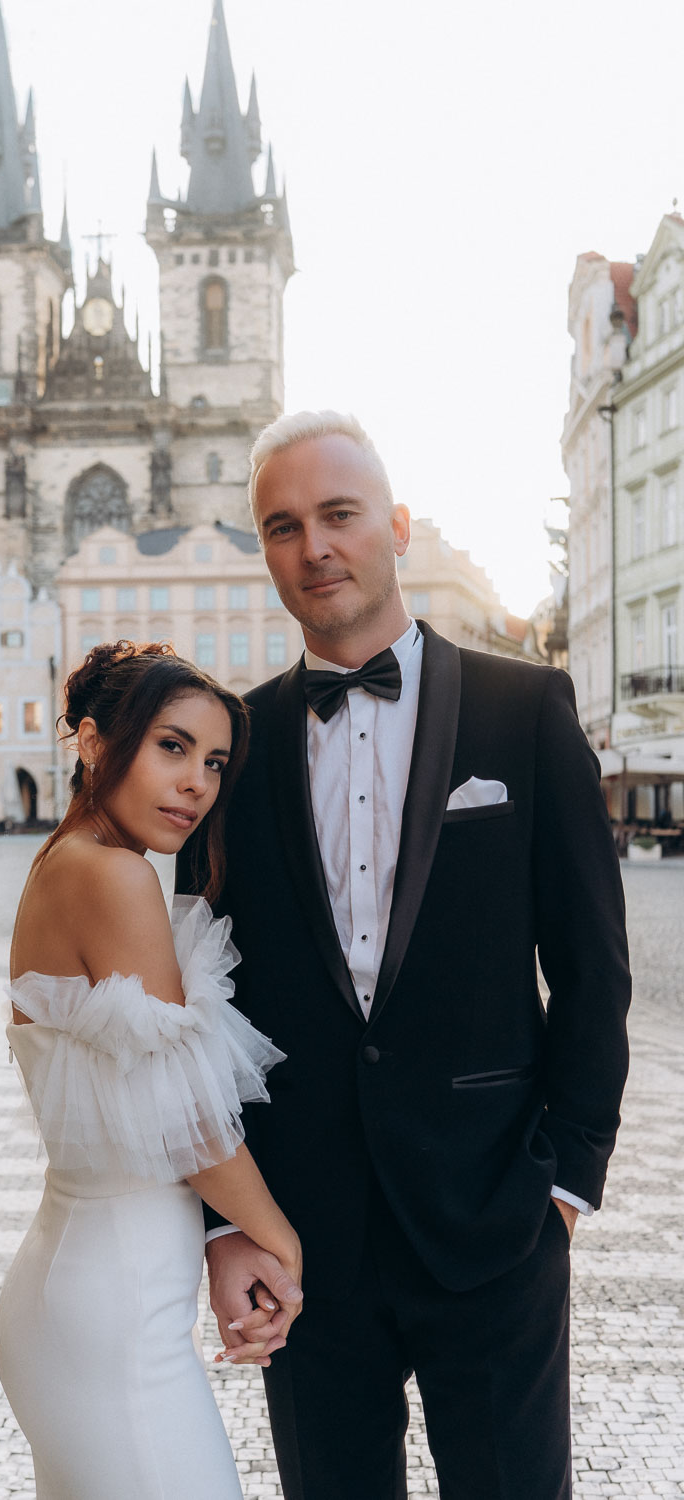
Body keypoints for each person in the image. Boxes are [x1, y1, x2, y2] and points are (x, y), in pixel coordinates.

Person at [178, 412, 632, 1499]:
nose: (314, 548)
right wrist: (223, 1224)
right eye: (282, 527)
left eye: (338, 515)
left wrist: (567, 1178)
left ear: (396, 525)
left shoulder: (526, 710)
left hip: (494, 1214)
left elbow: (591, 963)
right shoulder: (230, 746)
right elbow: (199, 1010)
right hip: (301, 1234)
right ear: (265, 551)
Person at [0, 640, 303, 1500]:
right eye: (172, 746)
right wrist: (279, 1239)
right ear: (94, 741)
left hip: (89, 1290)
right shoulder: (113, 875)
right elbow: (190, 1117)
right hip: (113, 1315)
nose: (197, 783)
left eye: (213, 762)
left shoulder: (66, 861)